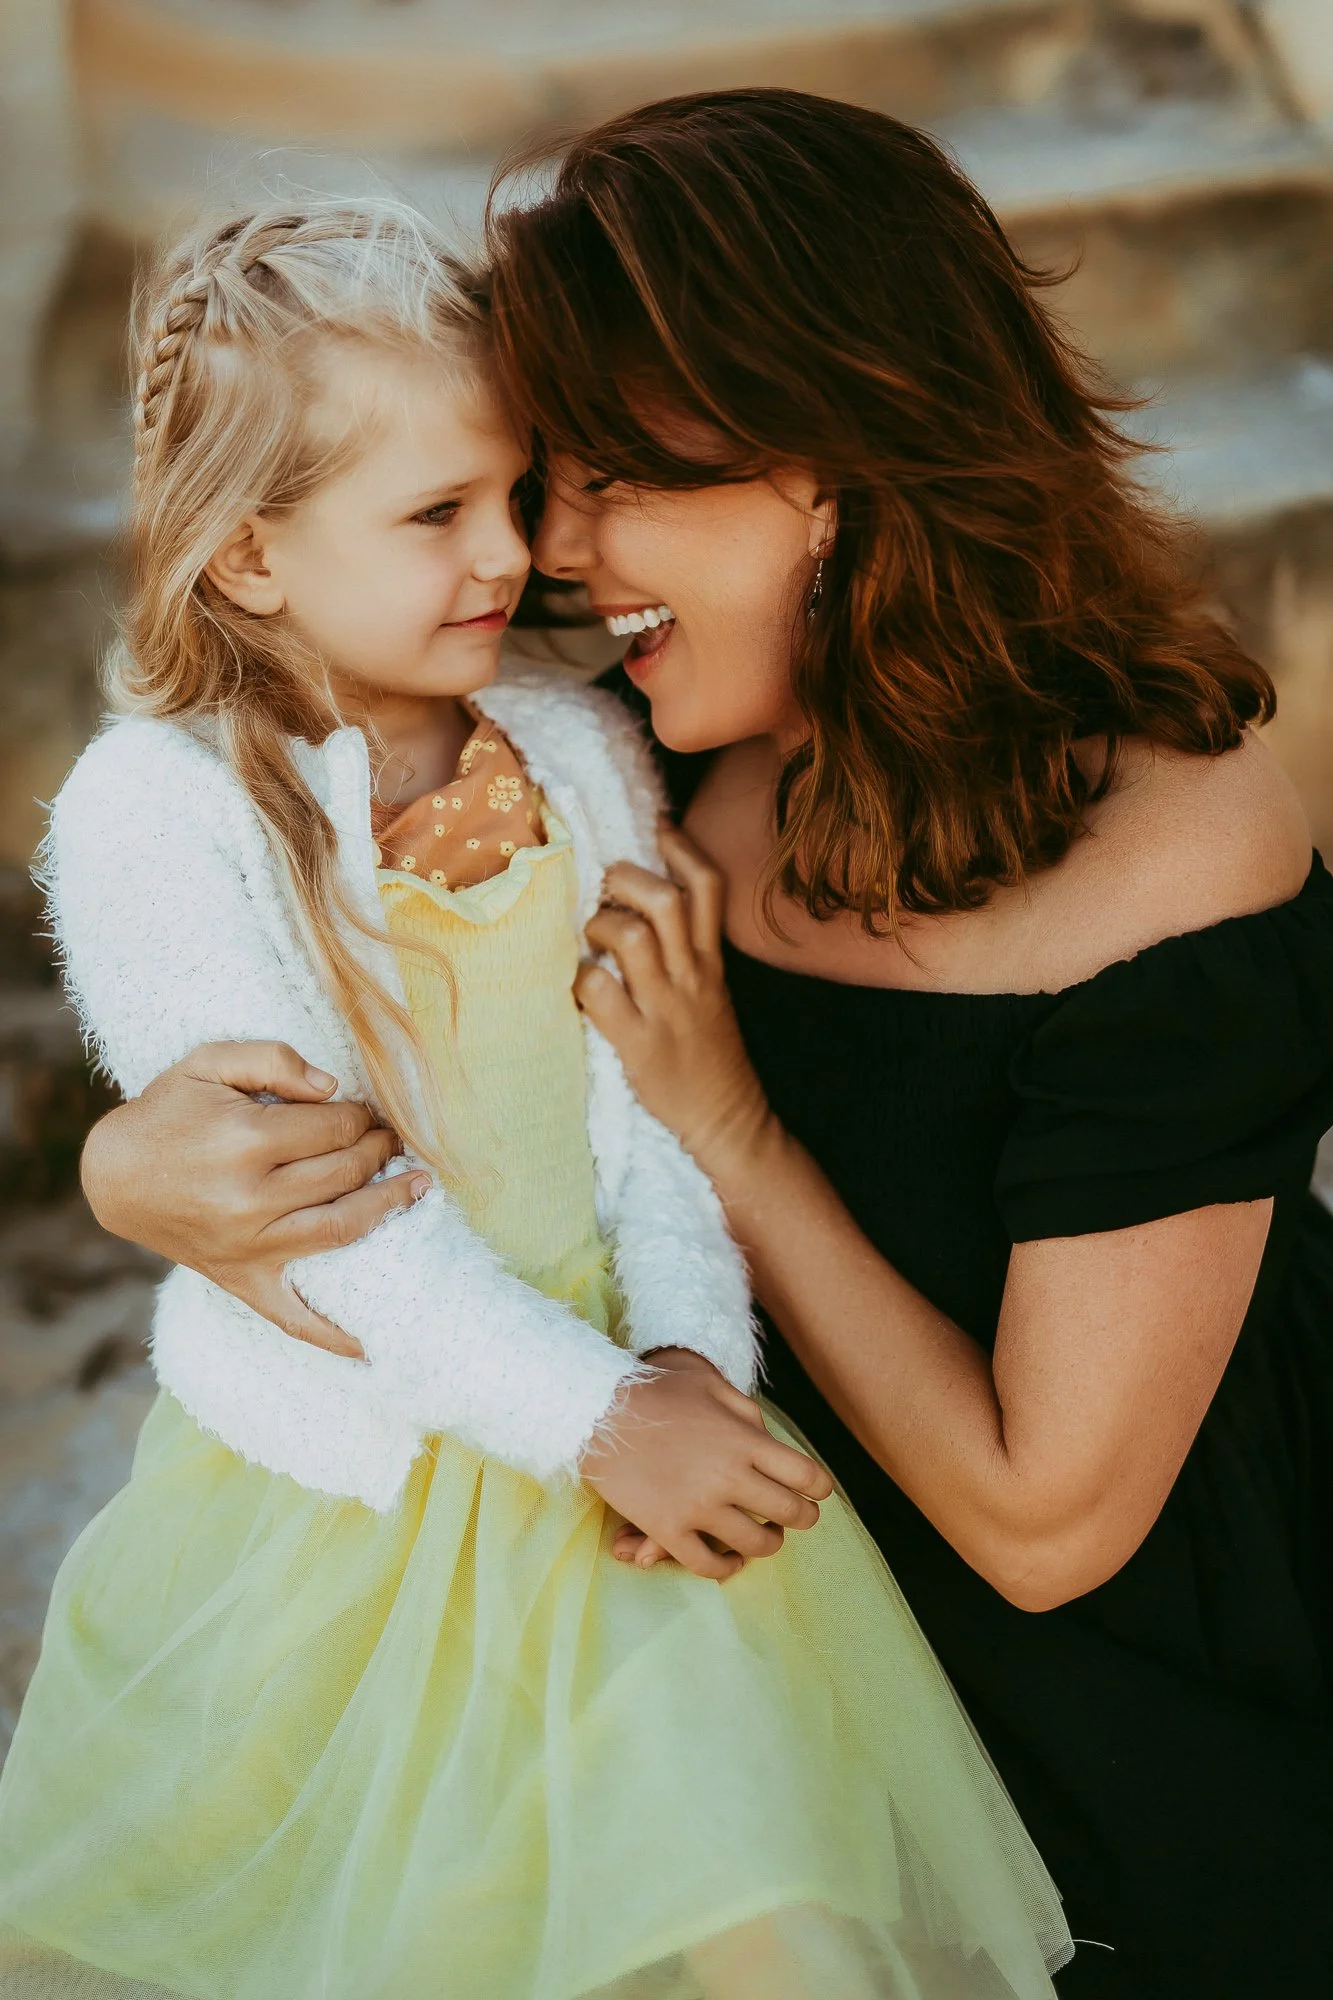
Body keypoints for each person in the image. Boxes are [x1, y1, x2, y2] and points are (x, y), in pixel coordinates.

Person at [79, 93, 1333, 1998]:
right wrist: (144, 1170)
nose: (549, 560)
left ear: (832, 463)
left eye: (603, 479)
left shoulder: (1178, 849)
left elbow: (1048, 1527)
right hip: (714, 1580)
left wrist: (730, 1132)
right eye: (521, 484)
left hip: (1115, 1671)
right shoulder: (627, 748)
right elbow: (358, 1010)